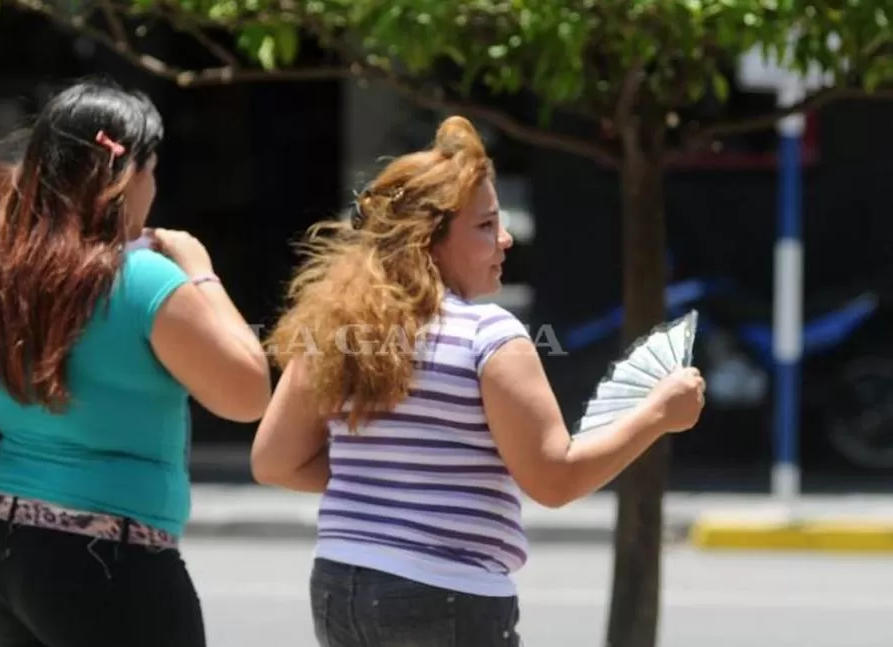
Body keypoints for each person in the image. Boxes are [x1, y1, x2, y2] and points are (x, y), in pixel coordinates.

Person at [251, 115, 706, 647]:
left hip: (339, 581)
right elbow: (554, 480)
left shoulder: (338, 327)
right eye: (486, 225)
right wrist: (657, 414)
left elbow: (274, 461)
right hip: (446, 595)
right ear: (429, 240)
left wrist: (394, 481)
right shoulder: (490, 335)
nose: (507, 238)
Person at [0, 80, 271, 647]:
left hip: (3, 552)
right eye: (150, 168)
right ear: (126, 176)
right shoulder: (146, 281)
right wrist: (202, 272)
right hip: (107, 559)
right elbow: (248, 393)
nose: (155, 186)